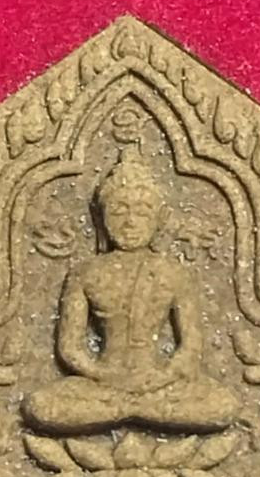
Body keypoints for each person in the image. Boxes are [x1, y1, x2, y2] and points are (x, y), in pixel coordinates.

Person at [23, 147, 239, 434]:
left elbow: (190, 346)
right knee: (41, 406)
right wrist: (101, 374)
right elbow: (70, 348)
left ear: (160, 218)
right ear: (100, 218)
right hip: (103, 381)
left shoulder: (174, 273)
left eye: (142, 211)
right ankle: (139, 411)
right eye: (118, 210)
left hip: (158, 382)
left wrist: (163, 376)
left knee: (223, 405)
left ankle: (126, 411)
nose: (130, 222)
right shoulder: (86, 273)